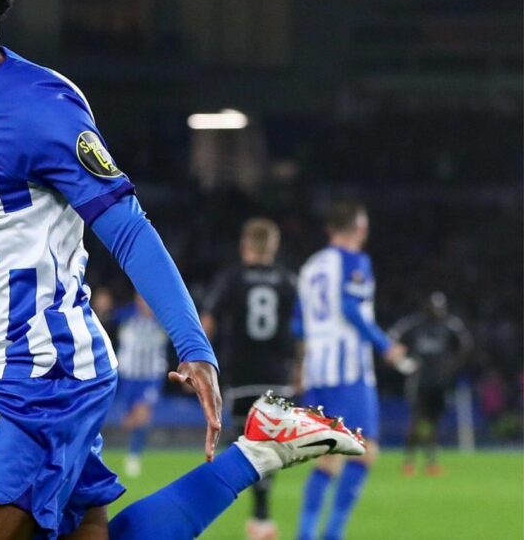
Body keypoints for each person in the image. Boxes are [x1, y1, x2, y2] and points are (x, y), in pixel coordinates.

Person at [0, 0, 365, 540]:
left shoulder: (41, 106)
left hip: (41, 370)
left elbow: (128, 230)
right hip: (2, 366)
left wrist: (195, 348)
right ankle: (258, 451)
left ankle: (257, 448)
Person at [292, 200, 406, 540]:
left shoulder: (310, 267)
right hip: (349, 370)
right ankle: (332, 533)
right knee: (365, 451)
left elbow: (297, 325)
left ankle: (308, 533)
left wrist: (299, 367)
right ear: (359, 227)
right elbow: (350, 307)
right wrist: (385, 345)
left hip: (316, 369)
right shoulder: (356, 261)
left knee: (328, 456)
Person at [201, 218, 297, 540]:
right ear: (273, 247)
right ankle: (261, 518)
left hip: (241, 374)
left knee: (242, 443)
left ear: (245, 246)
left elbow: (208, 319)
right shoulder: (287, 280)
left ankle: (223, 501)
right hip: (277, 375)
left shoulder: (232, 278)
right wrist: (300, 369)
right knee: (269, 446)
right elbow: (300, 330)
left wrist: (199, 361)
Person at [389, 291, 473, 476]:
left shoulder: (449, 325)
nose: (437, 312)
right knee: (417, 420)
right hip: (419, 381)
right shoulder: (415, 323)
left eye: (440, 308)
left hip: (439, 382)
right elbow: (393, 336)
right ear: (426, 308)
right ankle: (409, 461)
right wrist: (403, 362)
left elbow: (466, 344)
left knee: (434, 423)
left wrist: (452, 366)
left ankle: (431, 462)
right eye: (434, 308)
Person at [113, 293, 169, 478]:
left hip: (150, 376)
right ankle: (129, 452)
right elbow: (107, 319)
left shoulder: (162, 320)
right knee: (128, 420)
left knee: (142, 414)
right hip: (128, 377)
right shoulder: (126, 316)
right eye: (140, 299)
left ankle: (134, 456)